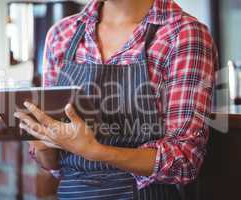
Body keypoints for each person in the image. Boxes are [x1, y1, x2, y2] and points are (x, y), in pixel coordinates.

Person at [14, 0, 218, 199]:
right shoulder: (62, 34)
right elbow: (53, 164)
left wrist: (96, 151)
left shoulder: (184, 34)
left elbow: (185, 160)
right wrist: (41, 141)